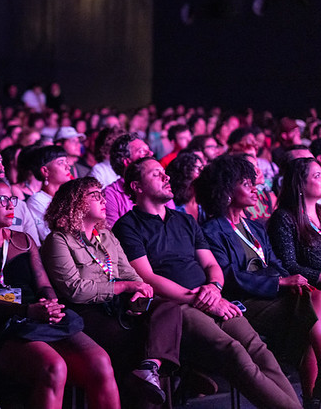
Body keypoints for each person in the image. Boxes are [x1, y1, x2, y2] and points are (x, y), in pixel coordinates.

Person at [113, 157, 301, 409]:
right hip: (177, 306)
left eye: (165, 172)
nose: (166, 177)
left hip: (212, 298)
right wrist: (199, 299)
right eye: (157, 174)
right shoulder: (128, 226)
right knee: (234, 352)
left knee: (260, 350)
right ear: (137, 187)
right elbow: (147, 277)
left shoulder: (185, 221)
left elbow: (212, 265)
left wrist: (214, 288)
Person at [0, 174, 119, 409]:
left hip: (38, 316)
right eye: (1, 200)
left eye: (11, 199)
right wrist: (30, 310)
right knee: (53, 366)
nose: (10, 205)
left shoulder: (24, 240)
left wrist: (51, 306)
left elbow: (44, 286)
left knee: (100, 361)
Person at [41, 177, 182, 405]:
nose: (102, 198)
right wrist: (124, 287)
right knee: (141, 341)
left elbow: (130, 274)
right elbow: (75, 290)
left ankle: (150, 369)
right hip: (87, 312)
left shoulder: (106, 235)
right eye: (94, 195)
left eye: (102, 193)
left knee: (168, 308)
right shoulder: (58, 241)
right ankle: (173, 376)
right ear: (74, 203)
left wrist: (140, 291)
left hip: (120, 304)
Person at [196, 154, 321, 408]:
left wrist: (284, 279)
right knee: (314, 305)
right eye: (246, 184)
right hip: (244, 301)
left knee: (314, 302)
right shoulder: (212, 230)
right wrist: (279, 284)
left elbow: (274, 262)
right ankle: (314, 394)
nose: (255, 189)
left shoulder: (254, 227)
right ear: (228, 191)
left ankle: (313, 397)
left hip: (273, 294)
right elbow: (228, 275)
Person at [268, 157, 321, 288]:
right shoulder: (284, 218)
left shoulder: (320, 211)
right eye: (317, 176)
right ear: (300, 184)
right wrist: (318, 276)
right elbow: (288, 265)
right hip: (309, 288)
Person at [25, 146, 73, 244]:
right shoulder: (36, 201)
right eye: (61, 163)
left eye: (66, 162)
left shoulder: (69, 196)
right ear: (45, 171)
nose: (68, 167)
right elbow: (47, 235)